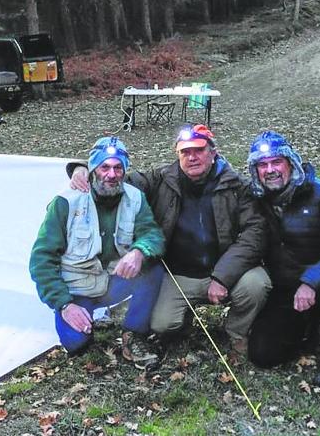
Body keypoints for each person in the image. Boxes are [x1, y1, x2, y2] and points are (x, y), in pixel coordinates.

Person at [69, 125, 271, 354]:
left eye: (199, 150)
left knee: (257, 283)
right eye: (185, 152)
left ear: (213, 153)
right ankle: (182, 323)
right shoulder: (161, 178)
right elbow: (115, 180)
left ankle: (237, 331)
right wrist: (82, 168)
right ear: (177, 155)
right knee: (161, 325)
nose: (192, 157)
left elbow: (254, 235)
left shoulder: (237, 186)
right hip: (179, 276)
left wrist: (223, 277)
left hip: (227, 273)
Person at [30, 137, 166, 367]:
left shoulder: (135, 197)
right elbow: (41, 260)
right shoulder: (66, 202)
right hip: (78, 290)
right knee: (76, 344)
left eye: (118, 167)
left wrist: (139, 251)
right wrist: (64, 304)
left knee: (153, 269)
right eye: (104, 167)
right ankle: (77, 318)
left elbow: (153, 235)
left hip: (114, 282)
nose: (111, 175)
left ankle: (133, 333)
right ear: (93, 169)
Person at [246, 131, 320, 389]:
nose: (270, 170)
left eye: (276, 162)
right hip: (284, 288)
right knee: (263, 355)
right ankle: (305, 330)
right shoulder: (255, 199)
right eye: (262, 165)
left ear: (291, 163)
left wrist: (311, 282)